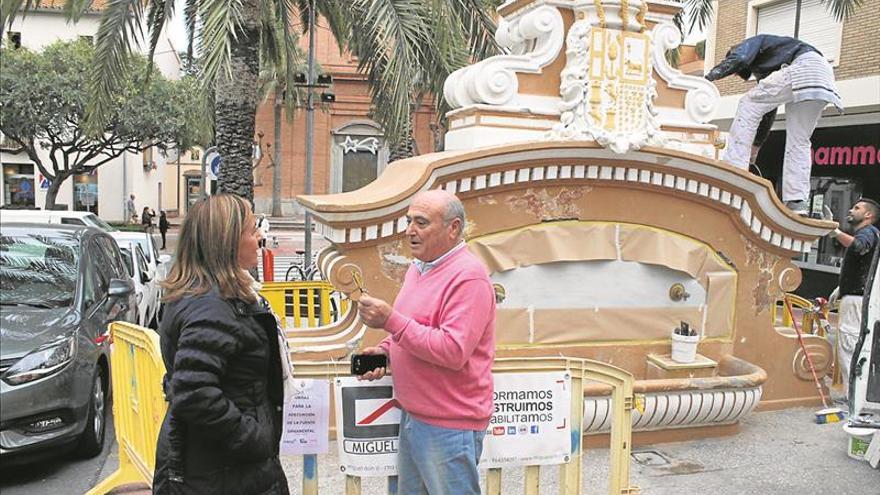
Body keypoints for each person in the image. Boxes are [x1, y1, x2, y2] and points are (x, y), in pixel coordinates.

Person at [356, 190, 496, 495]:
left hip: (449, 424)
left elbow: (453, 350)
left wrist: (390, 320)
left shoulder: (468, 277)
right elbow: (410, 329)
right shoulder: (418, 268)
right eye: (409, 221)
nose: (410, 231)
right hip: (415, 415)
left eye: (421, 222)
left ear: (453, 228)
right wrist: (384, 353)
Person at [152, 194, 292, 494]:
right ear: (226, 241)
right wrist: (253, 438)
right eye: (252, 230)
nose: (260, 237)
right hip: (222, 470)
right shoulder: (212, 306)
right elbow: (194, 392)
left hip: (222, 466)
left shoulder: (211, 295)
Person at [705, 34, 843, 215]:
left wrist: (707, 79)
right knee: (799, 140)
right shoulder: (773, 67)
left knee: (748, 103)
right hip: (823, 75)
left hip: (803, 67)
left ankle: (734, 171)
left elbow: (739, 57)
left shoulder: (753, 43)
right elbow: (768, 111)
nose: (738, 73)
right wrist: (756, 146)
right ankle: (797, 201)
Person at [827, 198, 879, 399]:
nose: (850, 209)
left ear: (868, 215)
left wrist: (836, 232)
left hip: (857, 300)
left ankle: (853, 398)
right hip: (858, 297)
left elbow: (858, 247)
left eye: (857, 208)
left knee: (850, 345)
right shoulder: (872, 234)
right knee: (854, 345)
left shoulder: (867, 233)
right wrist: (842, 287)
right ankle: (854, 396)